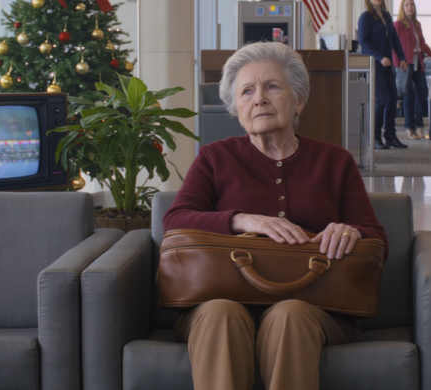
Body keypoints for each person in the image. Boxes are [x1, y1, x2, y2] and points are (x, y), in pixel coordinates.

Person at [162, 42, 388, 390]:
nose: (259, 99)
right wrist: (243, 220)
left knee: (290, 314)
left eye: (272, 87)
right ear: (236, 107)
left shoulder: (335, 160)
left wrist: (352, 231)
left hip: (317, 305)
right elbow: (175, 220)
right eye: (247, 91)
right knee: (221, 313)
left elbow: (376, 238)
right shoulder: (214, 157)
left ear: (298, 100)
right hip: (220, 299)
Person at [357, 0, 408, 150]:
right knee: (382, 99)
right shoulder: (366, 17)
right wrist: (380, 57)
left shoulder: (386, 16)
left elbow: (394, 39)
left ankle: (391, 136)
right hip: (374, 64)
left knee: (393, 98)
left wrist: (401, 58)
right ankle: (375, 137)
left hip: (388, 65)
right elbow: (363, 41)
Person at [393, 0, 431, 140]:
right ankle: (409, 128)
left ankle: (419, 126)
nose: (410, 7)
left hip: (418, 64)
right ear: (402, 8)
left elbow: (423, 46)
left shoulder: (417, 25)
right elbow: (393, 46)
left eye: (412, 4)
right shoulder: (398, 24)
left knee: (422, 94)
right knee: (408, 96)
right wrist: (398, 62)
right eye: (406, 5)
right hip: (405, 64)